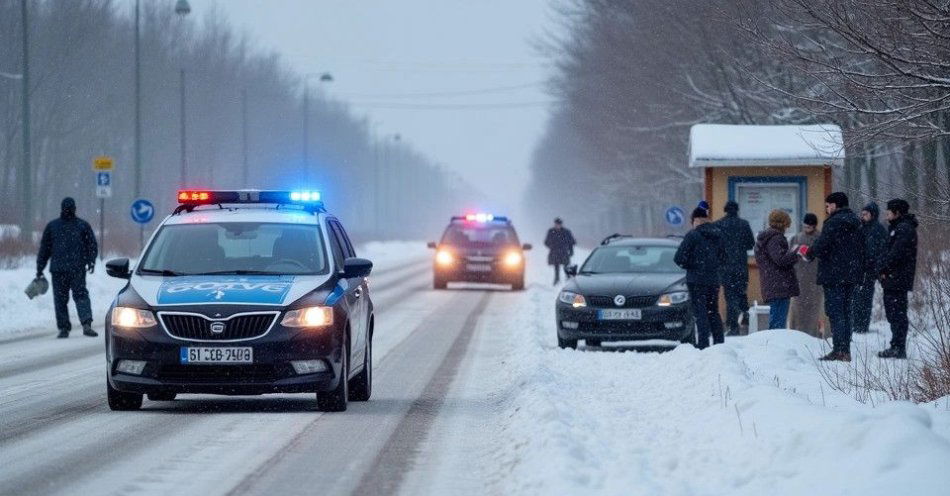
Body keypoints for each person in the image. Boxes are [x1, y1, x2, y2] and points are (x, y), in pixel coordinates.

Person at [805, 192, 865, 361]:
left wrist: (809, 253)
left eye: (828, 205)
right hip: (851, 274)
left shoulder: (833, 222)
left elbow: (822, 244)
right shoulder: (856, 222)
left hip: (833, 274)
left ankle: (839, 350)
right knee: (846, 312)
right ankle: (845, 349)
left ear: (835, 205)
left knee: (835, 312)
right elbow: (863, 249)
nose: (827, 209)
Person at [36, 197, 98, 338]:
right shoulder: (83, 225)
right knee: (81, 295)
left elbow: (44, 249)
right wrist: (91, 261)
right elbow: (92, 246)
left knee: (60, 299)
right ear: (75, 209)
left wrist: (40, 268)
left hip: (58, 270)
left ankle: (64, 327)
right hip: (77, 268)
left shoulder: (53, 226)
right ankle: (86, 323)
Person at [674, 207, 726, 349]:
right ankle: (719, 343)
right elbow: (724, 257)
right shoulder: (719, 235)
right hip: (714, 280)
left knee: (700, 312)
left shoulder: (693, 236)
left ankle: (703, 343)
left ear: (696, 220)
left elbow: (678, 258)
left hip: (696, 280)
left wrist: (692, 265)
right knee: (713, 311)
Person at [876, 199, 918, 359]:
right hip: (894, 278)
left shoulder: (904, 229)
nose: (886, 216)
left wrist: (884, 268)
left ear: (897, 213)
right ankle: (896, 345)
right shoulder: (897, 228)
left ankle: (898, 347)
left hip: (898, 278)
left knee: (897, 313)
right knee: (894, 312)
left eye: (888, 212)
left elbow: (896, 254)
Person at [754, 210, 800, 330]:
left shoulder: (765, 238)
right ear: (784, 223)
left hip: (773, 284)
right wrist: (796, 253)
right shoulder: (775, 238)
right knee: (778, 323)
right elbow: (780, 259)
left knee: (776, 319)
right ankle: (774, 346)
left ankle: (773, 345)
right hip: (779, 285)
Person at [715, 200, 755, 334]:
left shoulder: (719, 225)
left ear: (725, 210)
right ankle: (746, 315)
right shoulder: (744, 224)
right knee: (741, 294)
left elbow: (716, 247)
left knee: (730, 297)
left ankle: (733, 326)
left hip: (725, 267)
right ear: (737, 210)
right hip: (740, 266)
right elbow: (750, 244)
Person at [851, 202, 888, 334]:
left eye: (865, 214)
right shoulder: (861, 228)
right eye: (862, 214)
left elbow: (880, 251)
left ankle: (862, 326)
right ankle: (857, 325)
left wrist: (875, 266)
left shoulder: (878, 230)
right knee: (857, 298)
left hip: (869, 270)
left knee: (865, 298)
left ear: (872, 215)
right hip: (859, 269)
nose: (862, 216)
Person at [789, 213, 824, 337]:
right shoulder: (796, 238)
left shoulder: (821, 238)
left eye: (809, 226)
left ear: (814, 226)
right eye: (805, 226)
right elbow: (790, 258)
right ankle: (796, 334)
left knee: (814, 310)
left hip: (815, 281)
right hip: (799, 280)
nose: (807, 228)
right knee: (798, 311)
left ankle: (813, 335)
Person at [544, 218, 576, 285]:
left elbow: (571, 242)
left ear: (561, 224)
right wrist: (551, 246)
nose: (557, 225)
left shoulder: (566, 232)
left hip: (564, 251)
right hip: (555, 252)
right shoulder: (551, 231)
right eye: (556, 224)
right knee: (556, 266)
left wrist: (571, 250)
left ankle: (568, 278)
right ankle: (556, 279)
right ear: (554, 224)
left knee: (566, 266)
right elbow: (546, 242)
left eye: (559, 224)